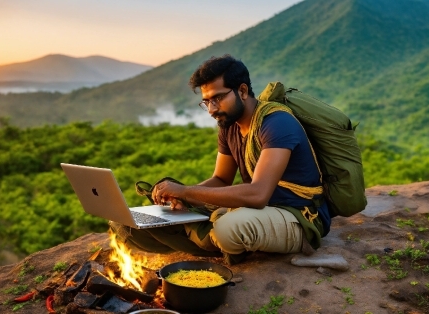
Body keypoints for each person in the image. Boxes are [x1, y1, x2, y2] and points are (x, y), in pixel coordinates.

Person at [109, 54, 331, 264]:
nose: (211, 109)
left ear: (242, 91)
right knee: (130, 225)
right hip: (257, 212)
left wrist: (185, 192)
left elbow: (258, 194)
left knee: (227, 229)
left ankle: (215, 237)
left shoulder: (276, 123)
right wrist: (180, 197)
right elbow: (221, 179)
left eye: (218, 98)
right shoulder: (228, 126)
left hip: (298, 216)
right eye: (206, 101)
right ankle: (208, 234)